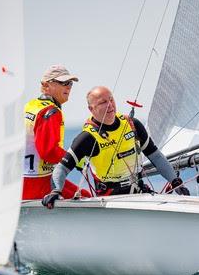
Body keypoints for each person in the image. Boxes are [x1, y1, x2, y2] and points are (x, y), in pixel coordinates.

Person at [42, 86, 189, 208]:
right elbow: (62, 168)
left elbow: (155, 155)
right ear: (91, 109)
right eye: (103, 102)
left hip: (139, 194)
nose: (110, 105)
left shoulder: (132, 125)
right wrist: (56, 190)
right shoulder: (87, 138)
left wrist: (175, 181)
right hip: (109, 201)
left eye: (111, 99)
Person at [22, 64, 91, 200]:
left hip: (20, 182)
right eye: (63, 82)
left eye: (70, 83)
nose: (68, 87)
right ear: (46, 85)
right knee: (86, 197)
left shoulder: (30, 105)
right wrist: (74, 159)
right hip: (38, 183)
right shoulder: (51, 112)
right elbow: (48, 152)